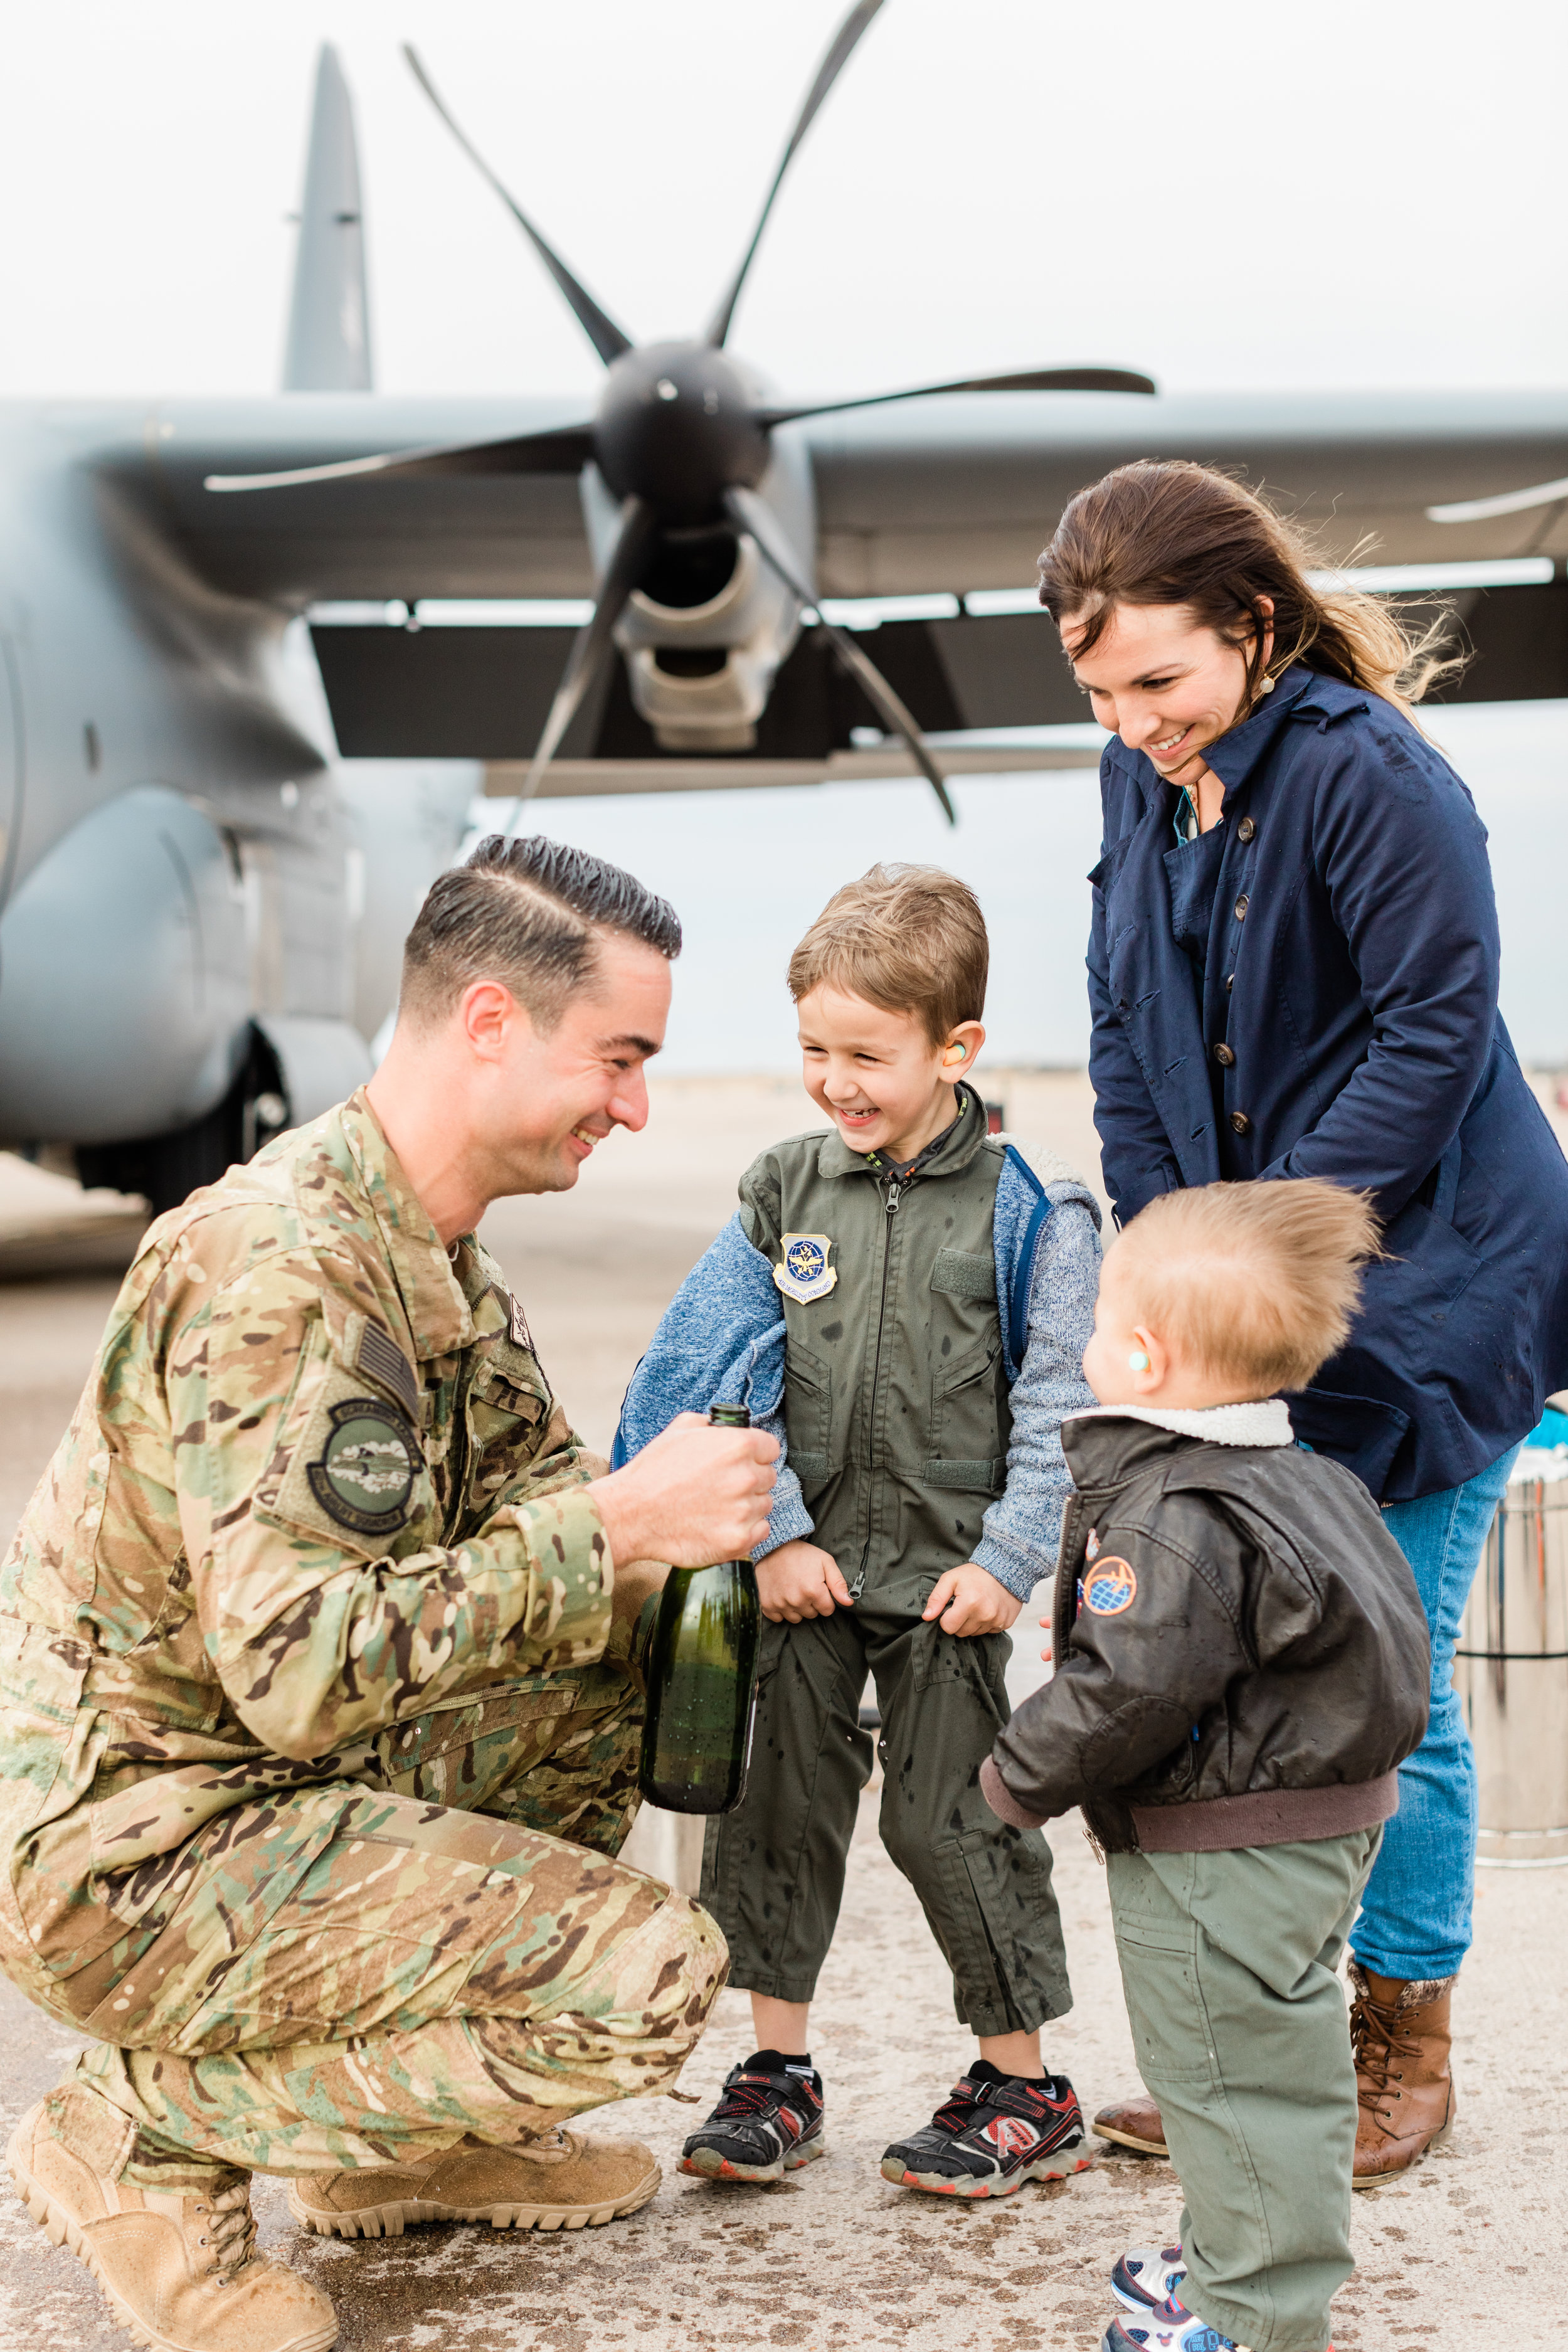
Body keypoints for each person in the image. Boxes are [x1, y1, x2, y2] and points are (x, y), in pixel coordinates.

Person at [0, 835, 781, 2352]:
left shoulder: (431, 1256)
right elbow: (301, 1667)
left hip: (270, 1787)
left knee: (616, 1655)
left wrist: (678, 1535)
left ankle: (402, 2144)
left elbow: (536, 1536)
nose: (633, 1105)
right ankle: (144, 2140)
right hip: (133, 1858)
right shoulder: (281, 1269)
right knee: (640, 1984)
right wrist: (617, 1521)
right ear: (490, 1021)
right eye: (616, 1059)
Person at [1034, 460, 1568, 2183]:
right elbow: (1119, 1019)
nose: (1129, 725)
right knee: (1243, 1665)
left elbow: (1430, 1034)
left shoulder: (1374, 780)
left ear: (1252, 631)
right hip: (1230, 1292)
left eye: (1157, 684)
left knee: (1380, 1677)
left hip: (1431, 1291)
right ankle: (1258, 2042)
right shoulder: (1142, 784)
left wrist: (1247, 1252)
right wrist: (1152, 1241)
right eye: (1099, 693)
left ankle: (1397, 2045)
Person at [613, 864, 1104, 2199]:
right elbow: (719, 1361)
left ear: (957, 1048)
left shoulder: (1030, 1215)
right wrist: (767, 1533)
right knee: (776, 1810)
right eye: (813, 1051)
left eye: (867, 1056)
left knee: (956, 1820)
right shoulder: (784, 1193)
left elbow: (1061, 1395)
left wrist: (1010, 1561)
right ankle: (776, 2072)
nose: (836, 1082)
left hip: (950, 1582)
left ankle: (1021, 2082)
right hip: (806, 1576)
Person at [983, 1179, 1431, 2352]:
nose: (1081, 1342)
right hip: (1317, 1822)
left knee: (1231, 2076)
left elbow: (1126, 1689)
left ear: (1140, 1355)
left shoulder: (1174, 1511)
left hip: (1222, 1844)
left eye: (1094, 1322)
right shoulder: (1305, 1473)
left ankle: (1252, 2315)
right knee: (1264, 2053)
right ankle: (1238, 2248)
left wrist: (1015, 1776)